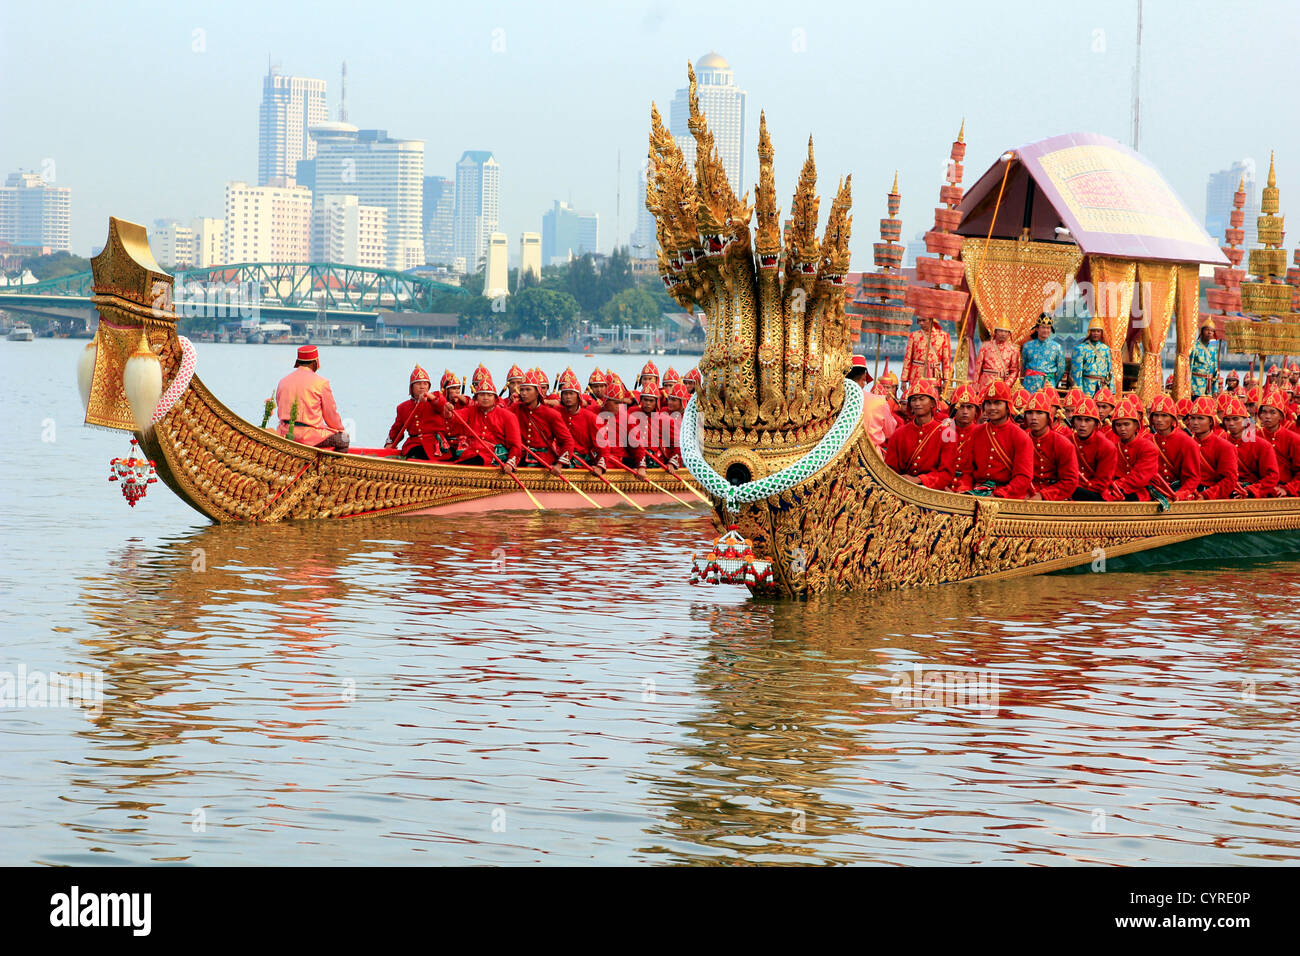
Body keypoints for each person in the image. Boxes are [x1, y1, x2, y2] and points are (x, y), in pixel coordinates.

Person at [953, 381, 1033, 498]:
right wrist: (964, 488)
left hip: (1007, 494)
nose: (992, 408)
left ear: (1007, 407)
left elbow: (1023, 477)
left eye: (997, 403)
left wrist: (1001, 494)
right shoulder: (977, 432)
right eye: (988, 403)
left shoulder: (1020, 436)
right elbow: (967, 471)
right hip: (977, 491)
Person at [440, 364, 523, 470]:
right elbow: (455, 417)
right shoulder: (471, 411)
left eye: (489, 395)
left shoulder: (508, 416)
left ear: (495, 398)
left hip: (495, 457)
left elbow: (516, 446)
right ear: (476, 397)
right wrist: (448, 411)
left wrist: (510, 463)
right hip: (471, 454)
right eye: (482, 394)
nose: (485, 398)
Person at [883, 379, 956, 488]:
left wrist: (919, 480)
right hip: (902, 488)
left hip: (932, 490)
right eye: (914, 400)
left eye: (922, 399)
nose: (917, 403)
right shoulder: (899, 434)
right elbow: (890, 469)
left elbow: (946, 474)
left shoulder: (947, 434)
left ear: (932, 403)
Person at [274, 345, 350, 450]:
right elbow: (331, 415)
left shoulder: (283, 381)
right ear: (315, 363)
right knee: (344, 439)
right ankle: (331, 466)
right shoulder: (321, 383)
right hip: (309, 436)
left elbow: (280, 409)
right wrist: (341, 430)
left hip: (284, 434)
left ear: (298, 362)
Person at [1103, 396, 1172, 502]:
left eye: (1126, 424)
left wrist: (1115, 487)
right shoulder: (1113, 447)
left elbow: (1140, 478)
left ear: (1136, 425)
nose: (1122, 428)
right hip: (1115, 489)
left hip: (1140, 493)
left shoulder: (1148, 447)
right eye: (1118, 425)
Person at [385, 364, 453, 460]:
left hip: (435, 444)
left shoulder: (436, 397)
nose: (422, 387)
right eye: (418, 384)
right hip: (414, 444)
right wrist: (389, 443)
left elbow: (443, 407)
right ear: (411, 387)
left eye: (425, 384)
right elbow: (397, 428)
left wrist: (431, 398)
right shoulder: (402, 407)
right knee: (415, 454)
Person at [1022, 389, 1079, 501]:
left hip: (1055, 496)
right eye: (1029, 413)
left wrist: (1044, 495)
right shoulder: (1020, 439)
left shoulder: (1063, 443)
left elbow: (1070, 481)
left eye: (1039, 413)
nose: (1033, 417)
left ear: (1049, 417)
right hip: (1024, 493)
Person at [1220, 395, 1279, 498]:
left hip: (1253, 495)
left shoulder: (1262, 445)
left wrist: (1250, 490)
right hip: (1224, 492)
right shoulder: (1220, 442)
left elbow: (1272, 477)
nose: (1231, 423)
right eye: (1227, 420)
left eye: (1235, 419)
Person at [1147, 395, 1201, 500]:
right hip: (1153, 491)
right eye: (1156, 415)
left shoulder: (1187, 442)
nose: (1159, 420)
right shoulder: (1147, 441)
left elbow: (1193, 478)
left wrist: (1179, 495)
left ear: (1173, 419)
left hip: (1180, 491)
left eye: (1164, 416)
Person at [1185, 395, 1238, 499]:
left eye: (1200, 418)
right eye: (1193, 418)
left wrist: (1206, 495)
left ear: (1210, 421)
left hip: (1214, 496)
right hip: (1188, 494)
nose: (1195, 422)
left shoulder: (1225, 446)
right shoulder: (1185, 444)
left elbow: (1229, 480)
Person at [556, 368, 606, 473]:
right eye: (565, 394)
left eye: (571, 393)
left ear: (579, 396)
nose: (568, 397)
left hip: (580, 462)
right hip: (557, 458)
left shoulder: (590, 417)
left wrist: (600, 467)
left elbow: (603, 446)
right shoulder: (556, 413)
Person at [1069, 398, 1118, 501]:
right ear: (1073, 422)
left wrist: (1074, 488)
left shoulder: (1106, 446)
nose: (1082, 425)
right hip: (1069, 488)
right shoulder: (1067, 441)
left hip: (1095, 492)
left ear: (1096, 424)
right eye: (1079, 419)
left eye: (1087, 420)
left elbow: (1102, 483)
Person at [1255, 388, 1300, 496]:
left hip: (1286, 490)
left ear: (1281, 416)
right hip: (1258, 488)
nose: (1267, 416)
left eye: (1272, 412)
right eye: (1264, 412)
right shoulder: (1254, 437)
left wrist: (1287, 489)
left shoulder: (1294, 439)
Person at [944, 384, 981, 486]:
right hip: (943, 484)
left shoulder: (981, 433)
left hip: (971, 487)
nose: (965, 412)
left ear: (976, 411)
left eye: (969, 407)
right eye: (960, 407)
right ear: (953, 410)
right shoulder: (944, 431)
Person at [902, 314, 952, 387]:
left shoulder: (943, 336)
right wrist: (904, 380)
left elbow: (946, 360)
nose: (921, 323)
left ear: (931, 320)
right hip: (917, 375)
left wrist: (946, 380)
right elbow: (907, 359)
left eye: (924, 320)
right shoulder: (914, 336)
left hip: (934, 375)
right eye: (919, 321)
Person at [1021, 315, 1065, 394]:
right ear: (1037, 329)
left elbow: (1061, 370)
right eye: (1043, 327)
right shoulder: (1027, 346)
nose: (1045, 330)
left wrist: (1052, 380)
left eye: (1048, 328)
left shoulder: (1057, 347)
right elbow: (1023, 366)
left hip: (1048, 384)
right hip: (1029, 383)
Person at [973, 322, 1020, 393]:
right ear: (995, 332)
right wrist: (975, 386)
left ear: (1009, 334)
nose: (1003, 334)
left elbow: (1014, 371)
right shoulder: (985, 346)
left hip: (1003, 384)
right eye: (1001, 331)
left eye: (1006, 331)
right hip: (985, 383)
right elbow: (978, 368)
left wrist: (1007, 385)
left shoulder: (1013, 350)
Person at [1074, 317, 1112, 398]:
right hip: (1087, 385)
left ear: (1101, 333)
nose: (1096, 333)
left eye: (1098, 331)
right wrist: (1079, 391)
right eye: (1093, 331)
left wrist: (1111, 389)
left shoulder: (1106, 349)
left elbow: (1110, 369)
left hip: (1102, 385)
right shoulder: (1080, 349)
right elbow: (1077, 373)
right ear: (1089, 332)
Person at [1189, 318, 1220, 398]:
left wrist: (1215, 390)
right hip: (1195, 388)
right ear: (1202, 331)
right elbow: (1189, 368)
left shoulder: (1213, 349)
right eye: (1207, 330)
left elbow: (1215, 372)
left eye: (1212, 331)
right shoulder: (1194, 347)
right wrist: (1189, 388)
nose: (1209, 332)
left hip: (1208, 390)